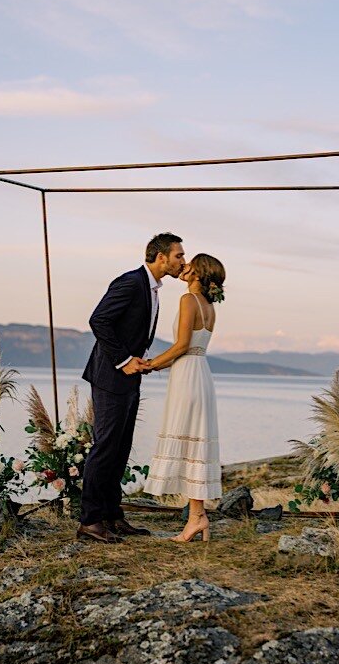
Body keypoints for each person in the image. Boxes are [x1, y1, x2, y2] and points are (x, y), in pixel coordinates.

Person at [77, 232, 185, 543]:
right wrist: (124, 360)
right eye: (178, 255)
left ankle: (112, 515)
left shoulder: (152, 288)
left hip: (129, 376)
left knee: (121, 447)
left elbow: (132, 329)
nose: (183, 261)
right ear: (161, 257)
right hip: (111, 376)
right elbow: (99, 321)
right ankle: (90, 521)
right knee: (105, 447)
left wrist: (140, 359)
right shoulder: (130, 281)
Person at [142, 253, 227, 542]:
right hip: (201, 373)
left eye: (190, 263)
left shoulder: (188, 301)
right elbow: (190, 348)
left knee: (189, 444)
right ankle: (197, 517)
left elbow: (181, 346)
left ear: (198, 273)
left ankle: (196, 518)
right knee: (195, 448)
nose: (184, 265)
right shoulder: (210, 306)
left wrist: (150, 364)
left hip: (187, 375)